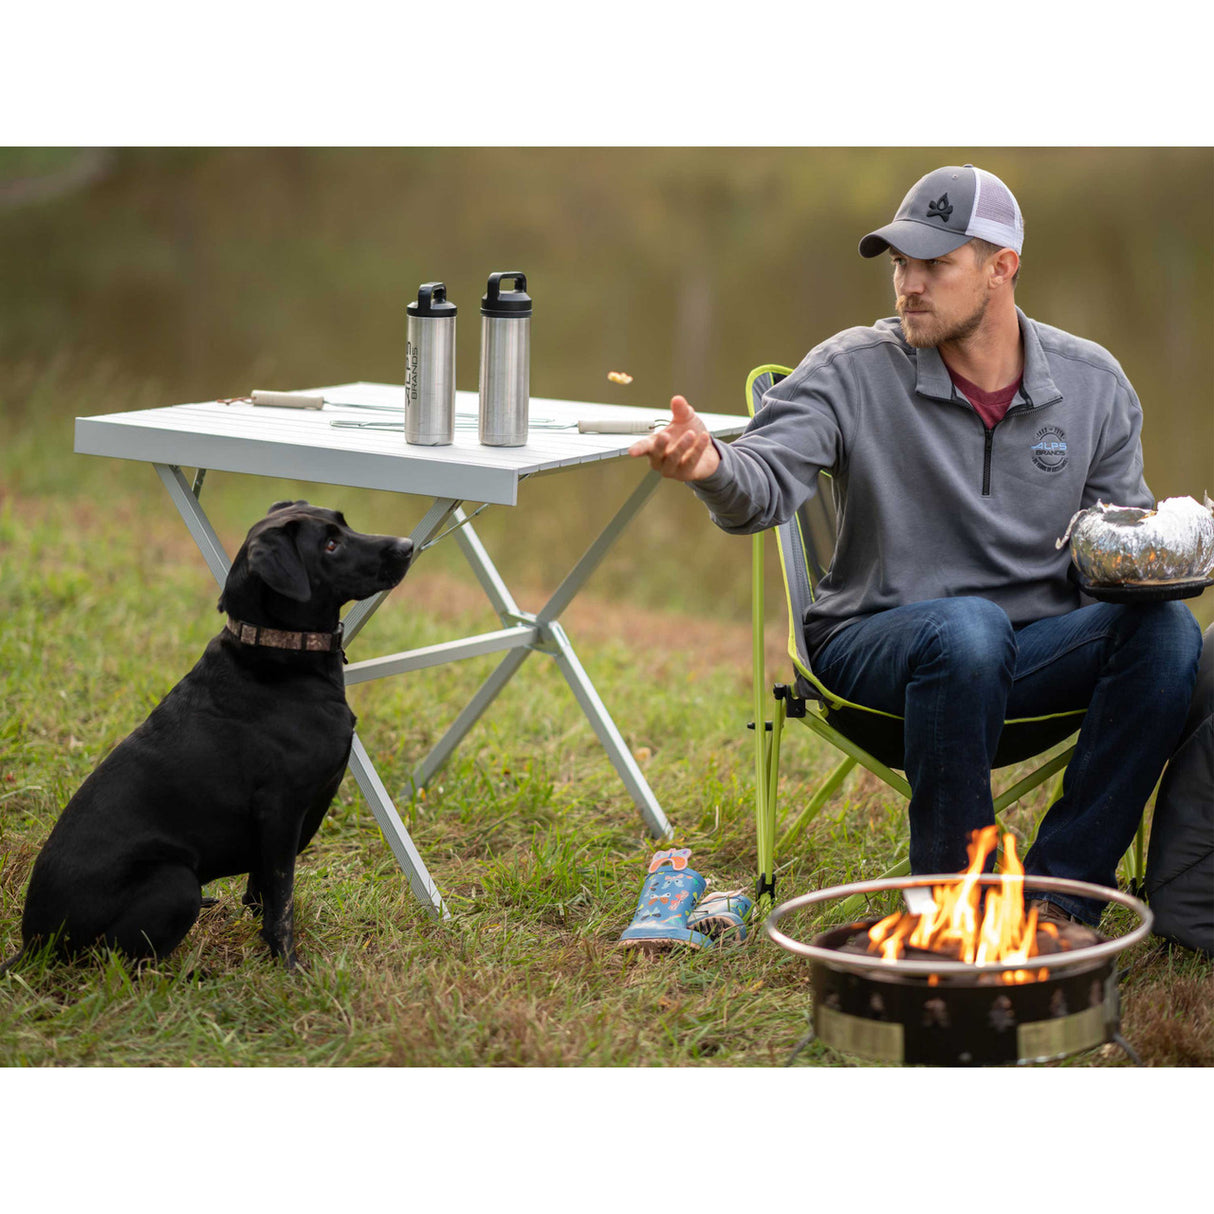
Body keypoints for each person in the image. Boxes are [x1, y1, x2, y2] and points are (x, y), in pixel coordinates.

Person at [630, 163, 1204, 926]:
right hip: (878, 659)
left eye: (934, 264)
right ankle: (954, 914)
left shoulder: (1094, 385)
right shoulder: (850, 369)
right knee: (967, 629)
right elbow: (760, 483)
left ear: (1002, 269)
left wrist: (1169, 553)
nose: (908, 283)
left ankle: (1059, 903)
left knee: (1166, 634)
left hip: (1032, 662)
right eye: (901, 262)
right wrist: (710, 467)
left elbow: (1115, 552)